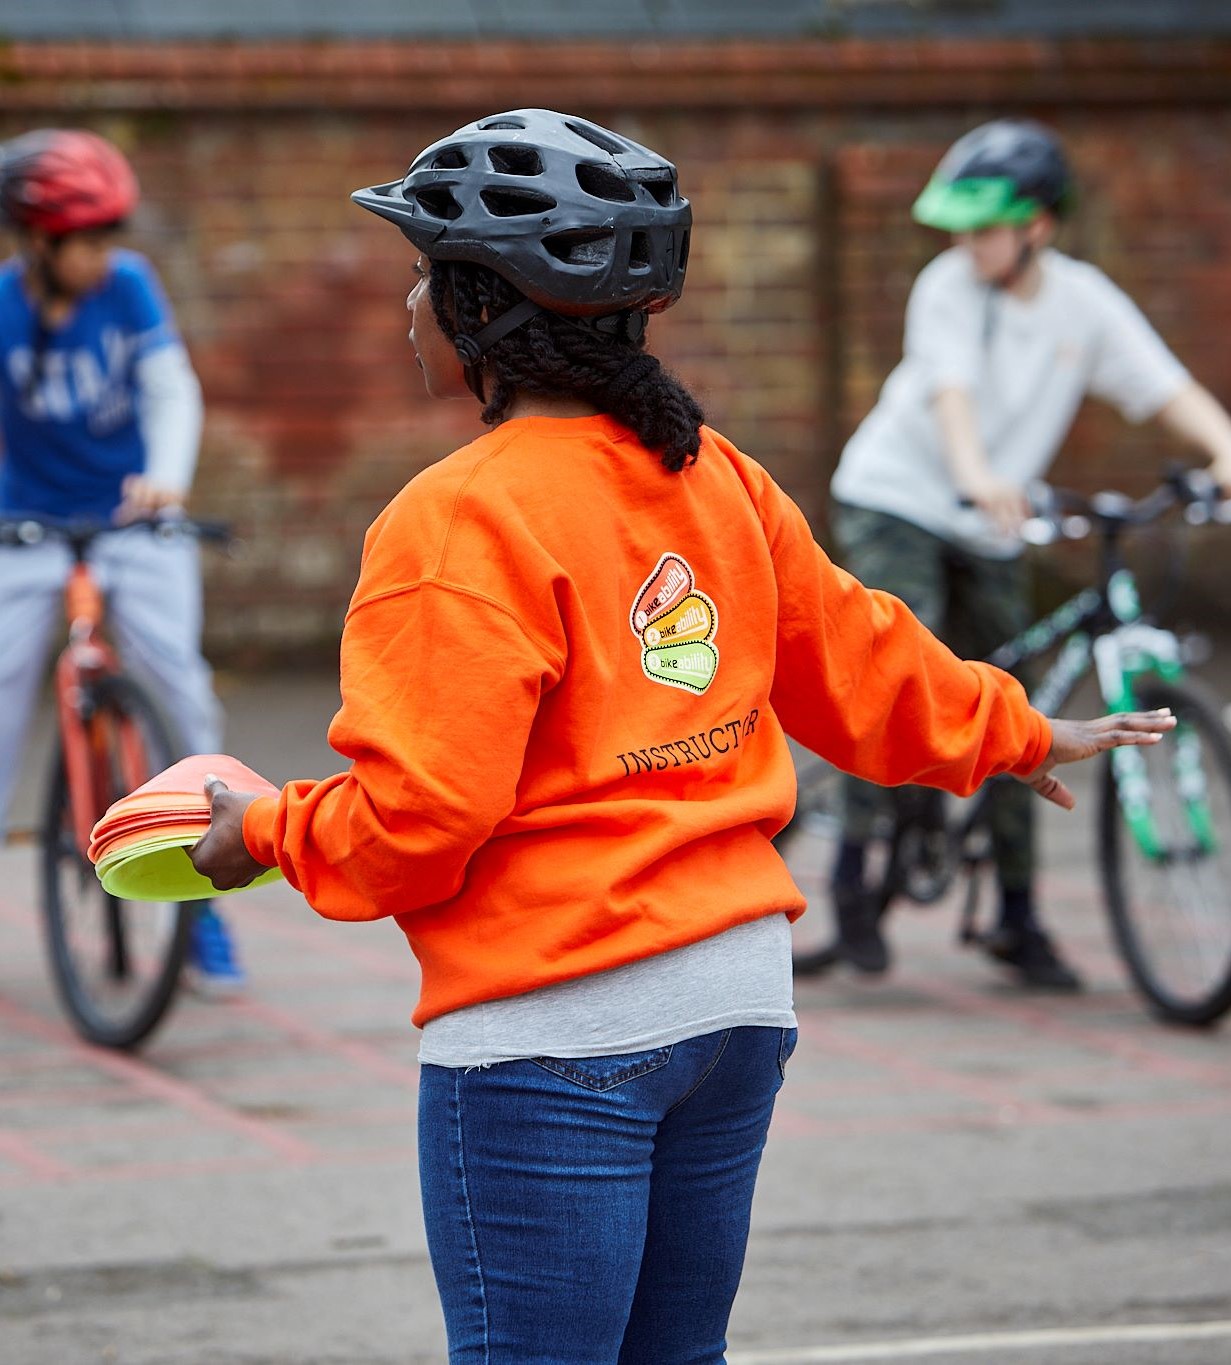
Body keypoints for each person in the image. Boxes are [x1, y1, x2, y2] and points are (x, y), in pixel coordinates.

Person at [188, 109, 1174, 1362]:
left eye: (425, 278)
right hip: (734, 1008)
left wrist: (262, 832)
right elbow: (859, 658)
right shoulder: (713, 474)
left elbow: (421, 822)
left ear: (484, 313)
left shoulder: (453, 521)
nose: (405, 305)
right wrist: (1014, 730)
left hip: (556, 1030)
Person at [820, 118, 1231, 990]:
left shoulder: (1083, 303)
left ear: (1037, 225)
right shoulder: (946, 289)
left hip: (993, 523)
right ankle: (852, 867)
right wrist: (975, 472)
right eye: (961, 229)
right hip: (897, 499)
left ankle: (1014, 912)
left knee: (1013, 700)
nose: (967, 245)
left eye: (984, 227)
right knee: (900, 674)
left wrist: (1222, 446)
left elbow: (1162, 388)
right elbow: (949, 391)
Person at [0, 128, 244, 995]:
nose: (106, 258)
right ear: (37, 241)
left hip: (131, 520)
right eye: (88, 241)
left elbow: (170, 387)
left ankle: (206, 901)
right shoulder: (3, 304)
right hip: (23, 530)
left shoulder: (130, 288)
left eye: (111, 237)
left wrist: (166, 484)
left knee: (179, 682)